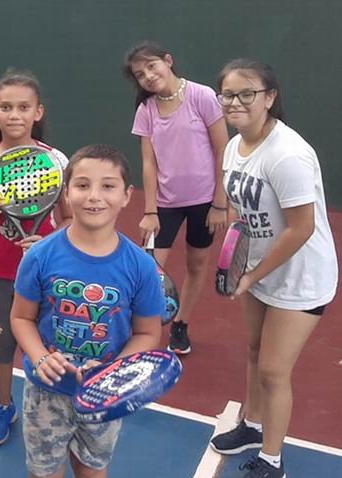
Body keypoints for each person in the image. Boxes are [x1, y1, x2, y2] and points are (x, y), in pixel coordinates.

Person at [208, 59, 337, 478]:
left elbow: (301, 229)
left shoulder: (288, 156)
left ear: (269, 97)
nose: (236, 102)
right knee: (254, 350)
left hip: (300, 279)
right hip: (260, 269)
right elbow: (243, 212)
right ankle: (252, 425)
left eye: (247, 93)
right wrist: (240, 260)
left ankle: (272, 460)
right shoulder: (233, 146)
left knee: (273, 370)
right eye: (228, 94)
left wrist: (250, 276)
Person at [11, 144, 163, 478]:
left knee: (93, 469)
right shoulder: (39, 256)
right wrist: (39, 357)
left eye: (108, 186)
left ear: (127, 195)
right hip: (45, 393)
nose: (94, 196)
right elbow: (21, 317)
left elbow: (148, 332)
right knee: (44, 473)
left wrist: (113, 370)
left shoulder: (141, 266)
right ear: (66, 193)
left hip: (104, 393)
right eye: (82, 185)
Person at [0, 68, 71, 445]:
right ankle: (5, 406)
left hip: (45, 272)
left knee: (50, 344)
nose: (14, 114)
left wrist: (46, 240)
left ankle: (52, 409)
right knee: (3, 345)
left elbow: (70, 222)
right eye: (6, 107)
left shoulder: (56, 160)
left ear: (37, 112)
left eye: (23, 107)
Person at [124, 41, 230, 355]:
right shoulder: (146, 110)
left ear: (168, 61)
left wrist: (219, 203)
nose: (148, 76)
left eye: (152, 67)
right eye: (140, 75)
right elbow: (148, 162)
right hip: (165, 206)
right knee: (147, 270)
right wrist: (150, 210)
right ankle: (141, 332)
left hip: (205, 203)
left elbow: (223, 149)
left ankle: (181, 323)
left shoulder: (202, 96)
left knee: (197, 265)